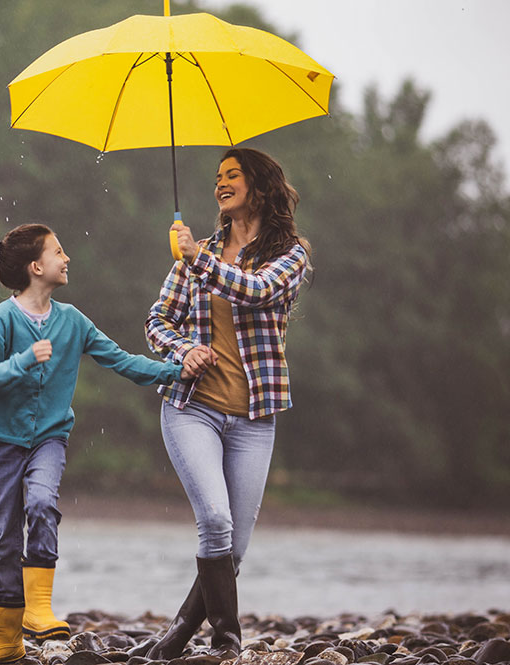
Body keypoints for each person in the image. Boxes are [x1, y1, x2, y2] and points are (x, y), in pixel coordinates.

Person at [0, 224, 204, 663]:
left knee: (40, 503)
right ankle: (3, 639)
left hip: (49, 440)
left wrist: (176, 370)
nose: (67, 258)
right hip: (0, 444)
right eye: (59, 251)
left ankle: (38, 607)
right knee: (4, 539)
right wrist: (22, 361)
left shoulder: (73, 321)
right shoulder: (3, 318)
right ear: (37, 267)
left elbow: (123, 362)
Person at [144, 148, 311, 661]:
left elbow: (256, 292)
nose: (221, 183)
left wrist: (200, 260)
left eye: (232, 175)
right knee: (215, 520)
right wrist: (182, 349)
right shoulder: (197, 252)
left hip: (255, 417)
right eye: (218, 176)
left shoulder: (292, 254)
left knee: (233, 548)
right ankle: (227, 636)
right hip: (192, 407)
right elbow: (157, 320)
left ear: (259, 187)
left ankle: (177, 631)